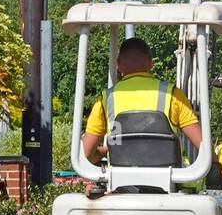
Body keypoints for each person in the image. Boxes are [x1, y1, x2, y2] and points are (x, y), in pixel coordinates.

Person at [81, 37, 202, 166]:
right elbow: (202, 146)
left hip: (121, 181)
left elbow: (86, 155)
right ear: (150, 63)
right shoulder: (173, 95)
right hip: (167, 180)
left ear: (118, 64)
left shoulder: (106, 99)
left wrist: (106, 151)